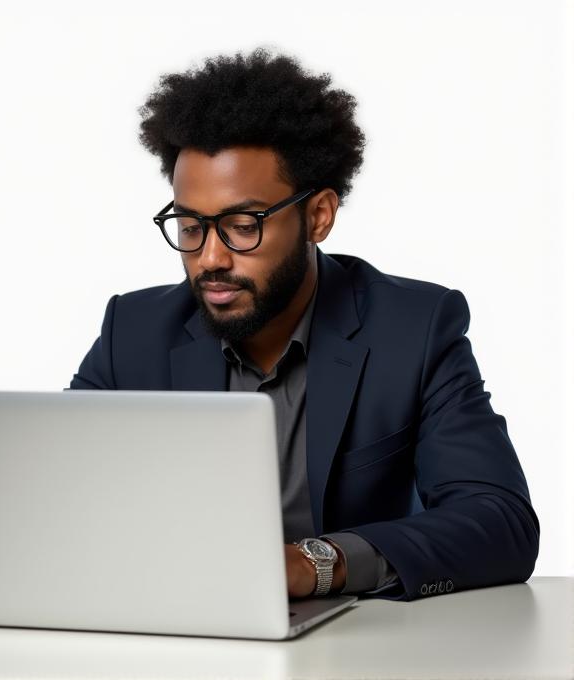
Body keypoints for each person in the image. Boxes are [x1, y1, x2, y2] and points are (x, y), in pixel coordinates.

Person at [70, 49, 539, 601]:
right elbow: (58, 497)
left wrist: (315, 564)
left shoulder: (415, 330)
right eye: (191, 225)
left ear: (318, 216)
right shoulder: (134, 331)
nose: (210, 258)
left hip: (357, 643)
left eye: (243, 226)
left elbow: (500, 521)